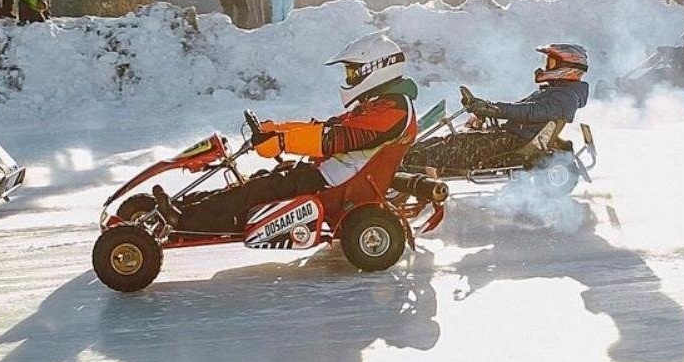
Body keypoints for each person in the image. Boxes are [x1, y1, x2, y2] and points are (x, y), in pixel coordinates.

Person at [154, 31, 417, 233]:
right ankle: (185, 206)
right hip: (329, 176)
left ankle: (185, 221)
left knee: (259, 190)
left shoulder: (393, 110)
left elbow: (333, 139)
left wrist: (282, 141)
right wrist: (278, 129)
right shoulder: (380, 104)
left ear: (375, 69)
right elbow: (328, 126)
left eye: (353, 73)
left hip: (336, 186)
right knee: (258, 180)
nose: (349, 79)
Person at [403, 45, 590, 175]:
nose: (544, 66)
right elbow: (522, 109)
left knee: (448, 149)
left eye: (550, 63)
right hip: (508, 138)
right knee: (446, 141)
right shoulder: (558, 91)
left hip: (511, 144)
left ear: (567, 68)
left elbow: (530, 112)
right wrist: (487, 111)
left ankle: (403, 172)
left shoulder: (565, 97)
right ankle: (403, 160)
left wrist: (494, 109)